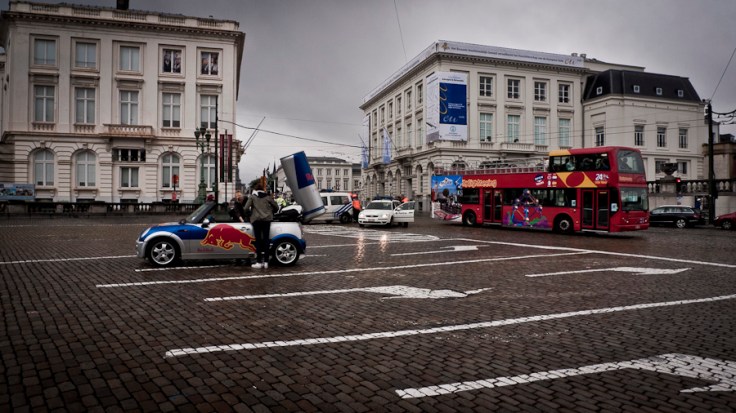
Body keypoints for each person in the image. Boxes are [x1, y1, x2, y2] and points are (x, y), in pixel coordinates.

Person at [244, 183, 278, 269]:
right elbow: (276, 207)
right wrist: (270, 211)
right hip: (267, 220)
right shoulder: (267, 196)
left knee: (258, 240)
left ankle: (259, 262)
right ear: (263, 189)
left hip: (256, 220)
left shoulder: (252, 196)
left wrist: (250, 215)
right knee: (266, 240)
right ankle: (266, 262)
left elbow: (245, 208)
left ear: (255, 189)